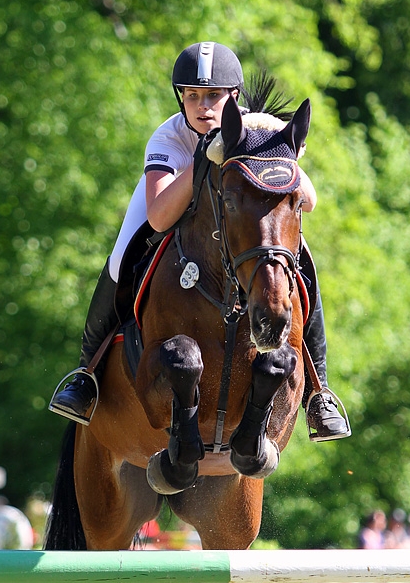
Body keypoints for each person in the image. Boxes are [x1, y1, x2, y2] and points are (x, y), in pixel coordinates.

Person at [49, 41, 349, 441]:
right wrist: (205, 158)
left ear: (235, 97)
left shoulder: (257, 130)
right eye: (192, 96)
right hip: (173, 201)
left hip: (239, 219)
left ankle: (319, 392)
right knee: (123, 254)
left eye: (213, 96)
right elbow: (158, 215)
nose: (202, 106)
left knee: (301, 259)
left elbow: (308, 201)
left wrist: (282, 149)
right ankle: (86, 374)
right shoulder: (168, 137)